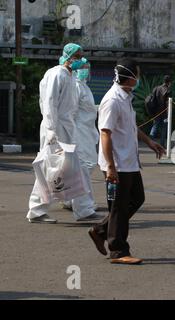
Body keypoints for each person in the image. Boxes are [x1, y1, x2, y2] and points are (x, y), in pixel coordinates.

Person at [88, 58, 166, 265]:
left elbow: (131, 127)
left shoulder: (125, 97)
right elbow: (105, 133)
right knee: (119, 207)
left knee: (136, 198)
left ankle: (100, 230)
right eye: (137, 75)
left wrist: (149, 142)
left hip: (128, 161)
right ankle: (118, 250)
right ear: (129, 77)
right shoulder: (112, 100)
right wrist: (111, 167)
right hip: (117, 164)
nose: (139, 78)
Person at [27, 43, 89, 224]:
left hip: (66, 128)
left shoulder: (69, 76)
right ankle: (81, 209)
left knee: (63, 169)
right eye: (77, 56)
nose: (80, 60)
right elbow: (49, 103)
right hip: (55, 129)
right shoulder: (56, 74)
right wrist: (51, 129)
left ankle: (80, 208)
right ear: (68, 56)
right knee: (52, 169)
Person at [62, 59, 104, 221]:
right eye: (84, 67)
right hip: (78, 132)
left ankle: (71, 199)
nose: (87, 69)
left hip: (87, 131)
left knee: (86, 165)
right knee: (84, 167)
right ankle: (83, 205)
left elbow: (86, 109)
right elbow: (70, 111)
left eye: (88, 67)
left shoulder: (83, 85)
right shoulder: (75, 86)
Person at [149, 75, 172, 147]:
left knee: (155, 126)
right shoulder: (168, 90)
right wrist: (169, 113)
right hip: (164, 113)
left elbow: (152, 99)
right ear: (169, 82)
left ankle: (150, 142)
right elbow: (168, 103)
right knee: (164, 128)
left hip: (156, 112)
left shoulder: (157, 88)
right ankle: (162, 144)